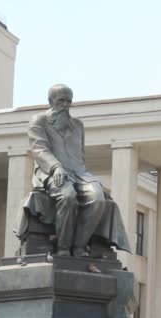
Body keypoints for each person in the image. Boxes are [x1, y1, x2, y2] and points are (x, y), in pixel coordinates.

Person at [27, 84, 106, 256]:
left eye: (68, 101)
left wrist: (84, 175)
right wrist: (56, 167)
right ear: (50, 101)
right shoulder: (38, 121)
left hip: (79, 173)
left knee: (98, 199)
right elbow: (39, 149)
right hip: (51, 171)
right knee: (68, 196)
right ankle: (63, 248)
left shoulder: (78, 125)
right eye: (61, 100)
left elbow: (81, 154)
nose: (65, 105)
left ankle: (79, 246)